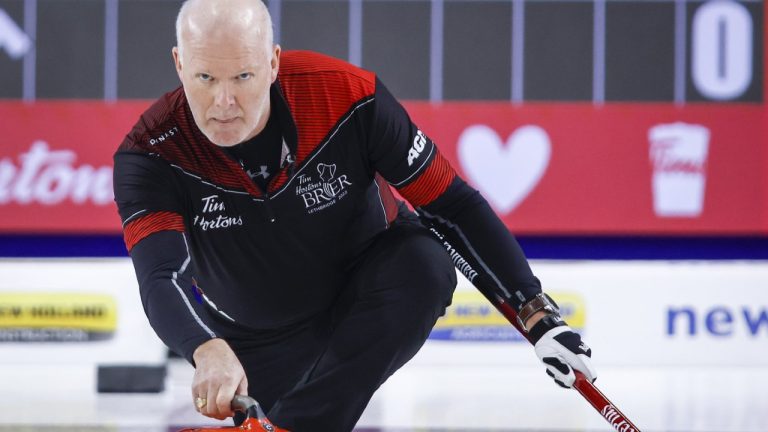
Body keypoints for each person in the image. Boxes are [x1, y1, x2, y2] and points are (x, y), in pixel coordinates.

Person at [113, 0, 596, 430]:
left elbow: (450, 206)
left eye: (243, 77)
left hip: (367, 294)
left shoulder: (347, 97)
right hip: (252, 339)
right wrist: (206, 348)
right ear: (179, 65)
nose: (224, 102)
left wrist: (536, 314)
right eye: (205, 78)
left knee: (425, 265)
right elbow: (161, 276)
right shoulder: (149, 152)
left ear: (273, 62)